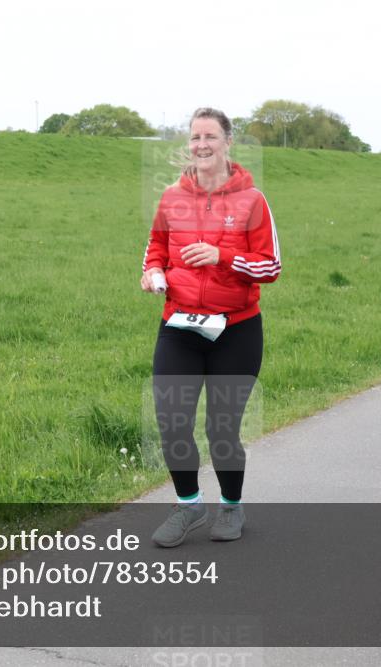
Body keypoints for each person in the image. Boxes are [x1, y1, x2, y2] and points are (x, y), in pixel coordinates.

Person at [140, 107, 281, 546]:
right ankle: (188, 506)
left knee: (222, 428)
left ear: (227, 143)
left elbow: (271, 267)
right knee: (171, 421)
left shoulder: (253, 200)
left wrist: (222, 257)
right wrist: (151, 273)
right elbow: (156, 249)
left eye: (210, 137)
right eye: (195, 137)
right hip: (179, 325)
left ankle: (232, 507)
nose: (201, 145)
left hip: (235, 330)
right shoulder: (170, 197)